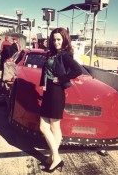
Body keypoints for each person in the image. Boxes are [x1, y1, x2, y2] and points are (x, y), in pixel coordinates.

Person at [39, 27, 82, 173]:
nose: (56, 42)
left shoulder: (65, 55)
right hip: (49, 91)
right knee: (47, 127)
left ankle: (55, 157)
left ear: (64, 40)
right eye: (54, 39)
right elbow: (46, 72)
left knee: (51, 126)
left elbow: (78, 70)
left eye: (59, 39)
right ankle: (54, 156)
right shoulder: (53, 54)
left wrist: (61, 78)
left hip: (57, 92)